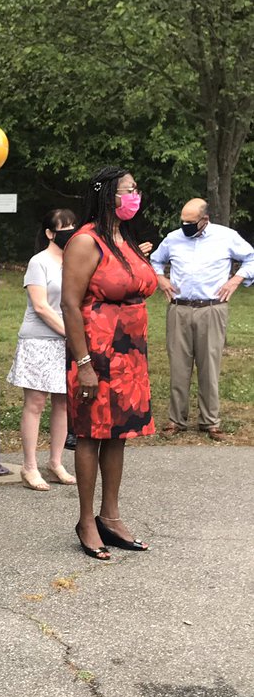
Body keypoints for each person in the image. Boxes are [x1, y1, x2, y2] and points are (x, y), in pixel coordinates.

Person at [61, 166, 158, 560]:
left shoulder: (124, 239)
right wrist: (83, 363)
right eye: (128, 190)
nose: (135, 195)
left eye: (135, 189)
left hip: (130, 353)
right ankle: (86, 521)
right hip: (96, 352)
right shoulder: (86, 241)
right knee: (90, 434)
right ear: (106, 196)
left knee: (117, 434)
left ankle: (111, 517)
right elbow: (69, 303)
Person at [150, 199, 254, 440]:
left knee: (209, 365)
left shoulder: (226, 237)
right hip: (180, 308)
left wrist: (235, 280)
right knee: (178, 365)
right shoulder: (173, 238)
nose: (185, 225)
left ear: (204, 220)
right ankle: (177, 420)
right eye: (183, 221)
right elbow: (156, 260)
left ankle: (210, 421)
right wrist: (160, 279)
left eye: (190, 222)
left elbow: (251, 258)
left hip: (212, 308)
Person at [7, 209, 77, 491]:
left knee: (63, 403)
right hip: (39, 341)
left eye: (74, 226)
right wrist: (70, 332)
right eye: (64, 228)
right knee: (35, 404)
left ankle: (56, 462)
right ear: (50, 233)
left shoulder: (75, 260)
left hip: (66, 342)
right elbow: (41, 306)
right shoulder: (39, 262)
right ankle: (29, 466)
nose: (70, 232)